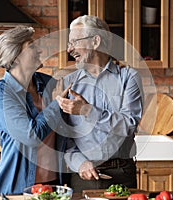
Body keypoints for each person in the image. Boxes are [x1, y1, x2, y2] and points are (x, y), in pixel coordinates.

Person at [55, 15, 144, 192]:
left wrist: (87, 110)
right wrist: (79, 163)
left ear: (95, 41)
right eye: (69, 44)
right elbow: (64, 137)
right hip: (82, 177)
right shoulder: (67, 84)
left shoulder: (129, 78)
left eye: (74, 42)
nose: (70, 49)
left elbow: (128, 126)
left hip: (122, 174)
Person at [0, 26, 69, 195]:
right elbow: (31, 136)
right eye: (31, 46)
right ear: (15, 57)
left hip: (55, 184)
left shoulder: (48, 83)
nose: (39, 50)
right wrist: (56, 103)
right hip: (20, 187)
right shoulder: (2, 92)